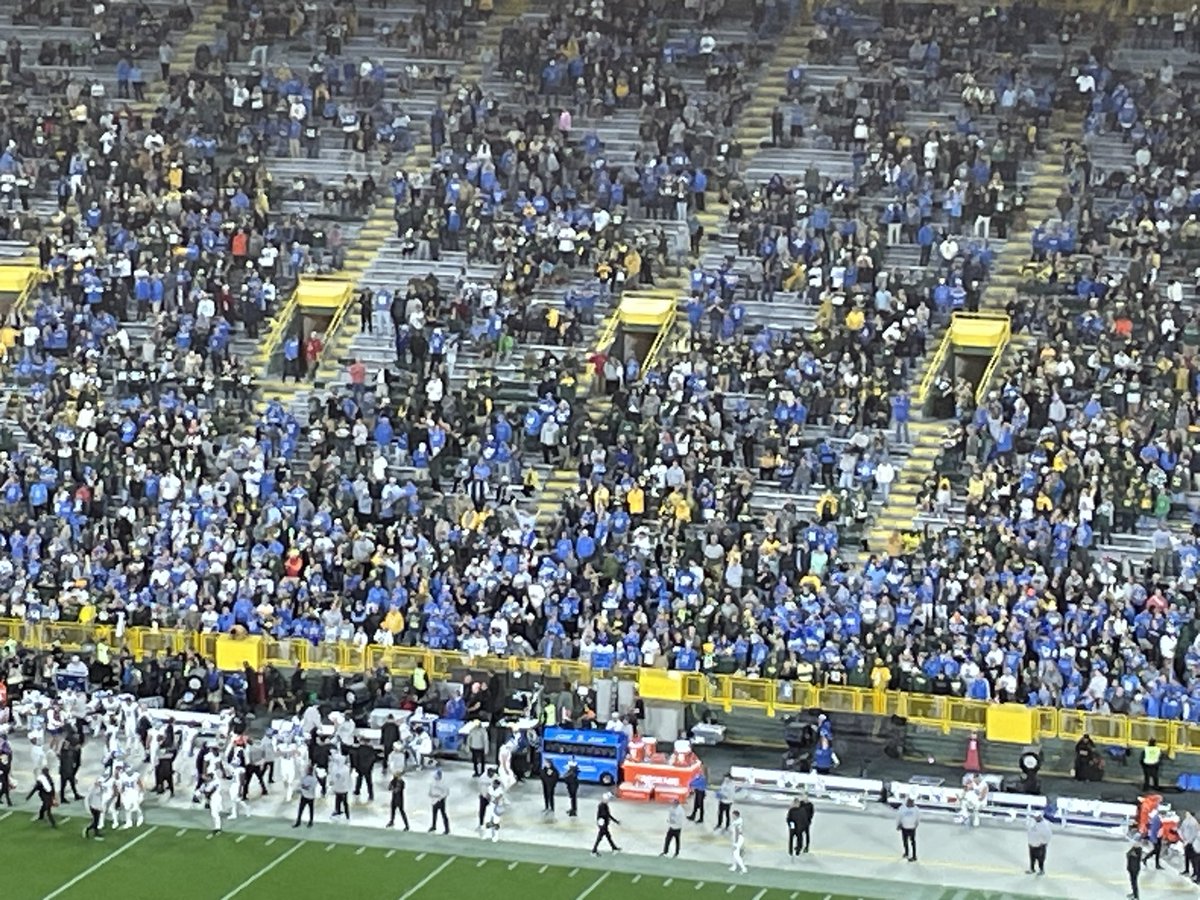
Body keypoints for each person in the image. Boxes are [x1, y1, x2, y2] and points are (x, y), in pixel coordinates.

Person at [1026, 811, 1051, 875]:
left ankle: (1041, 870)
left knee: (1041, 859)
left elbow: (1048, 835)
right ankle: (1032, 869)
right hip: (1032, 843)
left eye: (1037, 817)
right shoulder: (1032, 822)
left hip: (1040, 845)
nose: (1036, 818)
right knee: (1032, 858)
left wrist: (1044, 843)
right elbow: (1029, 830)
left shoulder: (1045, 824)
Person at [897, 797, 920, 861]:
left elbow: (918, 818)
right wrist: (898, 824)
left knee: (912, 842)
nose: (910, 803)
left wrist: (916, 825)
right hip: (904, 827)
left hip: (912, 827)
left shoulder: (916, 809)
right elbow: (899, 817)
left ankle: (914, 855)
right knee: (905, 841)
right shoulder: (902, 808)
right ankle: (906, 853)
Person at [428, 768, 450, 834]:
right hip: (434, 799)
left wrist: (440, 797)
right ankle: (433, 826)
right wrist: (431, 795)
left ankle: (447, 829)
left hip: (441, 800)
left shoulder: (444, 783)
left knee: (443, 814)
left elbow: (446, 792)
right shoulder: (432, 783)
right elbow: (430, 791)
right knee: (434, 814)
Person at [1181, 811, 1199, 880]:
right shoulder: (1185, 821)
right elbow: (1182, 829)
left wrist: (1188, 841)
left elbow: (1194, 834)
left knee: (1193, 859)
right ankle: (1187, 870)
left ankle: (1195, 872)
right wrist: (1184, 839)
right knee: (1187, 857)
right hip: (1186, 841)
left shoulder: (1193, 822)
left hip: (1191, 843)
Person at [729, 809, 748, 873]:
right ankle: (734, 866)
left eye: (733, 815)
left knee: (736, 854)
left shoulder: (736, 822)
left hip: (738, 838)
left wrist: (735, 842)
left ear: (736, 815)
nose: (732, 816)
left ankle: (743, 868)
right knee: (734, 853)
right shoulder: (739, 820)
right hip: (737, 837)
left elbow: (737, 832)